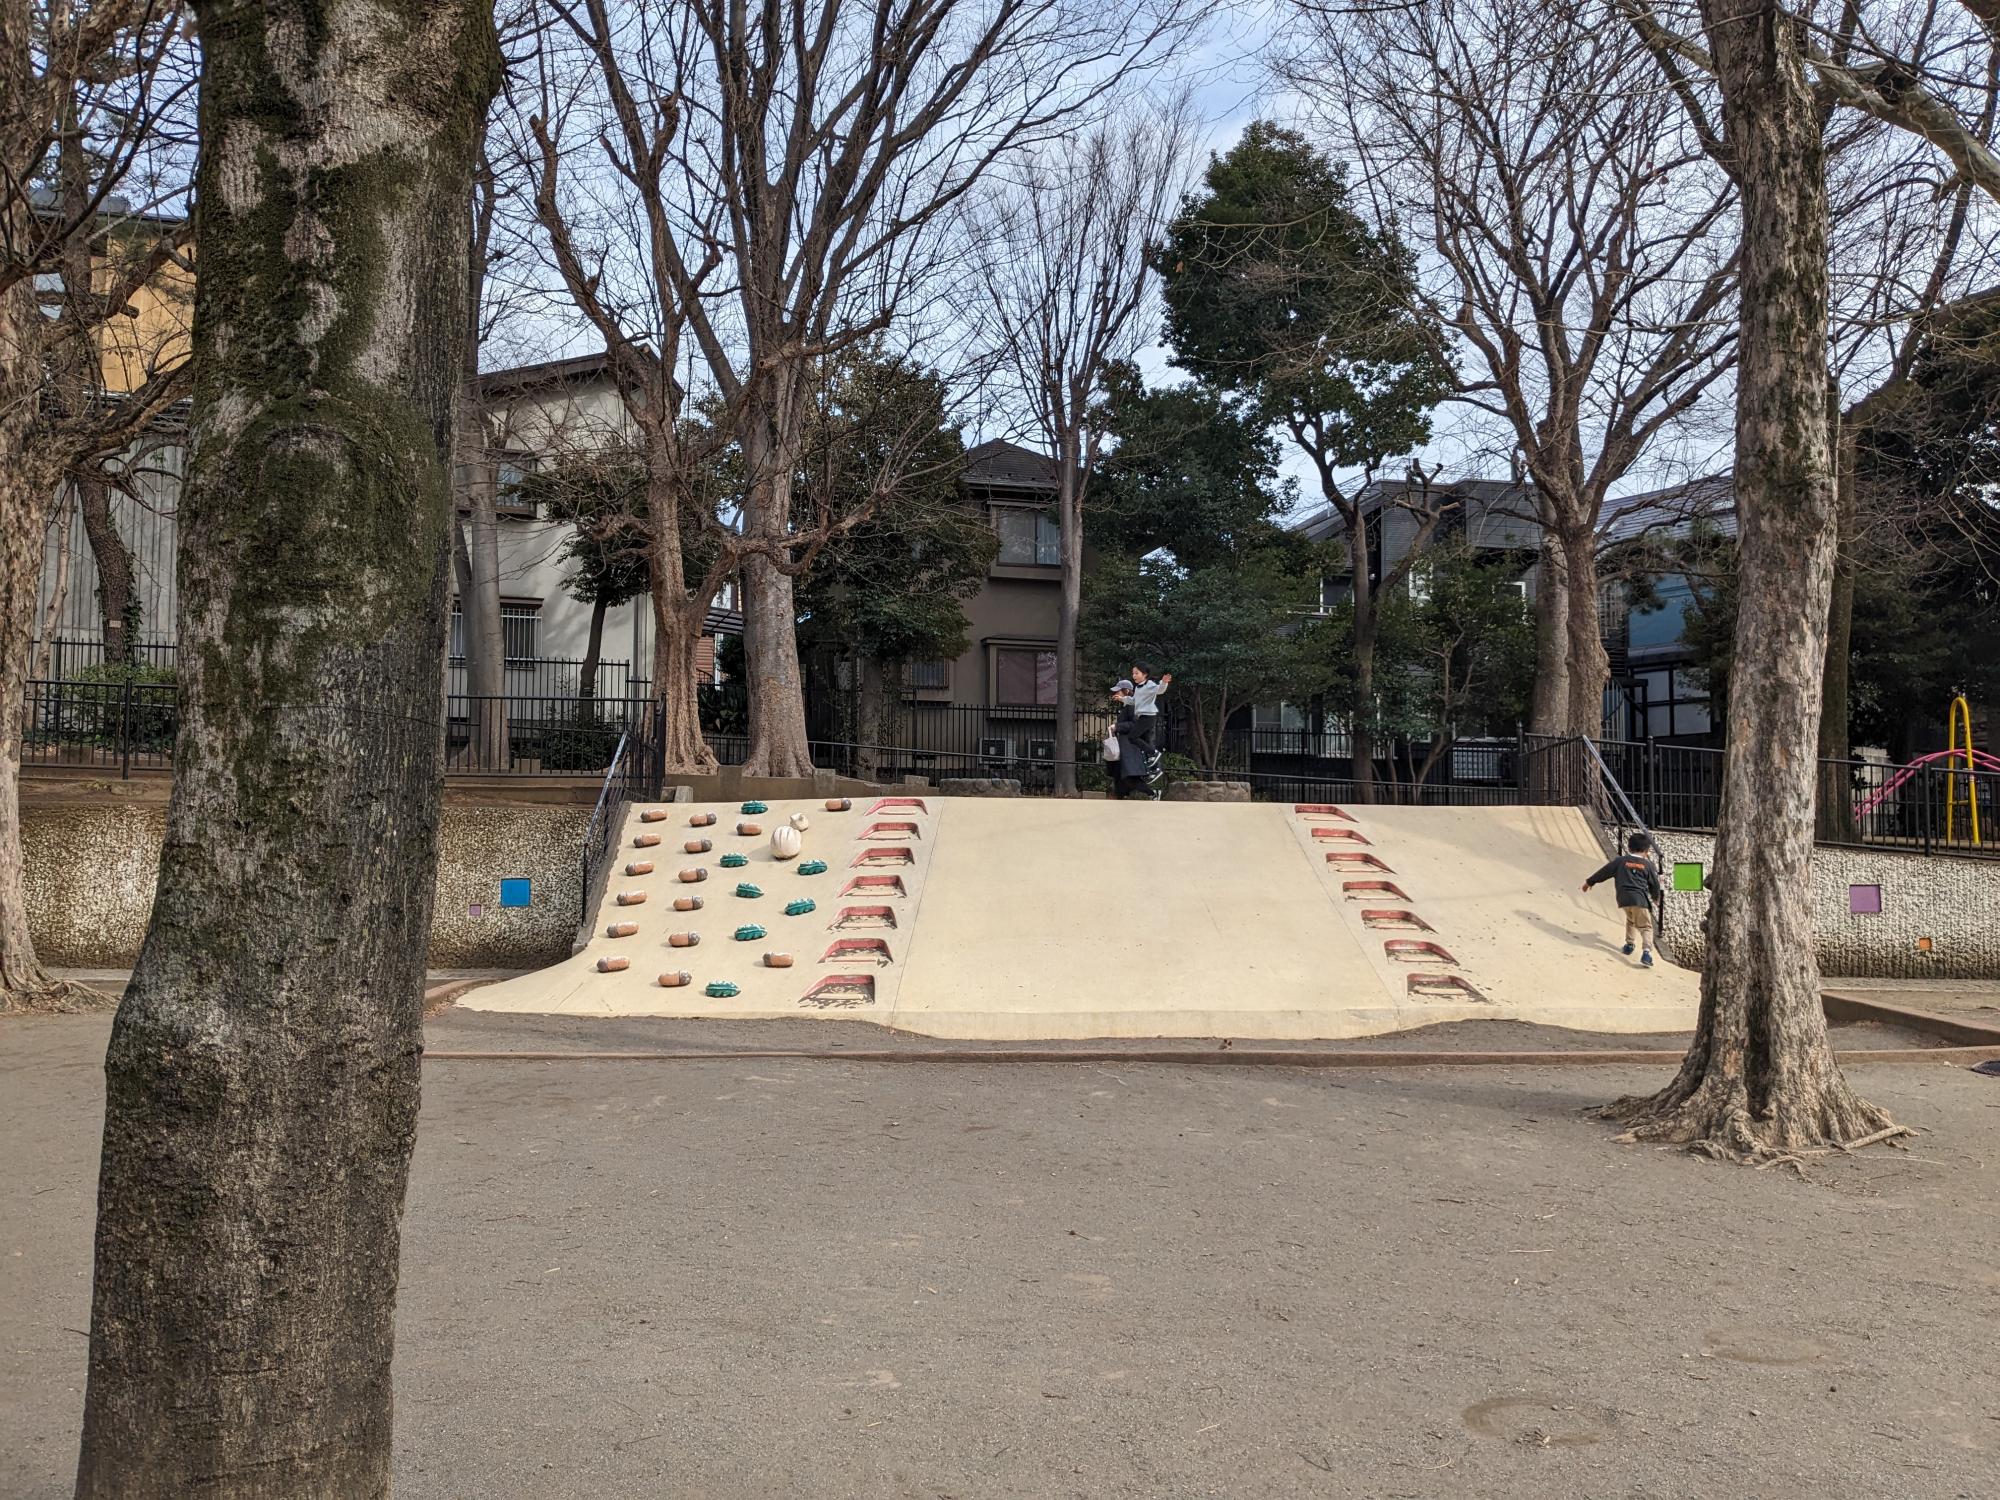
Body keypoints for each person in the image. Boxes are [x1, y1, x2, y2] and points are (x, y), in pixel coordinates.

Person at [1582, 832, 1664, 967]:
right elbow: (1654, 883)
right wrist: (1656, 898)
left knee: (1631, 920)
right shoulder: (1647, 865)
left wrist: (1589, 882)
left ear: (1629, 848)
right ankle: (1646, 952)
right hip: (1640, 900)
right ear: (1647, 851)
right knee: (1646, 927)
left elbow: (1604, 872)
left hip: (1623, 899)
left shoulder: (1620, 861)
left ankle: (1629, 944)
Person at [1108, 684, 1158, 800]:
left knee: (1128, 776)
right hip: (1125, 747)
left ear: (1126, 691)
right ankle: (1121, 797)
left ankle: (1152, 793)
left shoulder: (1132, 706)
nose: (1116, 694)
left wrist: (1117, 726)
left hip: (1130, 747)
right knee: (1120, 775)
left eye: (1118, 692)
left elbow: (1135, 724)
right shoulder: (1128, 706)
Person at [1128, 664, 1173, 779]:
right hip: (1143, 716)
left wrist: (1164, 682)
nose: (1134, 676)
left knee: (1132, 737)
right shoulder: (1137, 687)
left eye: (1136, 673)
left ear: (1145, 674)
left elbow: (1160, 690)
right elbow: (1133, 701)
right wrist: (1122, 699)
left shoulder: (1149, 685)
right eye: (1133, 673)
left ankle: (1154, 753)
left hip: (1148, 716)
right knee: (1146, 742)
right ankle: (1155, 770)